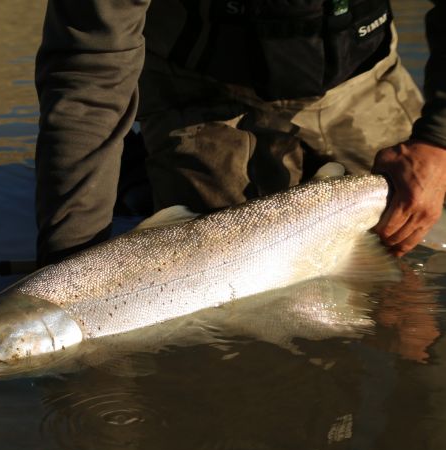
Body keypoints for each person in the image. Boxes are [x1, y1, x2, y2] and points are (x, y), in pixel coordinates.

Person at [33, 0, 446, 266]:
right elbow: (88, 82)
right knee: (227, 309)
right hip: (199, 97)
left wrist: (437, 140)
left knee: (420, 265)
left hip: (364, 80)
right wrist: (71, 265)